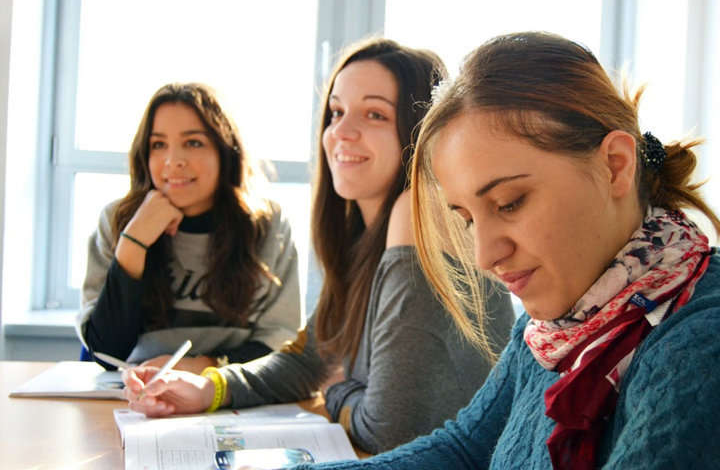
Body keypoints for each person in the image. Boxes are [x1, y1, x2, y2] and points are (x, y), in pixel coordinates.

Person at [290, 31, 720, 469]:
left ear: (615, 166)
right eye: (468, 219)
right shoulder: (554, 324)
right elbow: (462, 448)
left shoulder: (697, 349)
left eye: (510, 203)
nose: (485, 256)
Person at [122, 38, 515, 454]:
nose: (341, 132)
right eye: (337, 112)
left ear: (420, 133)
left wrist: (337, 392)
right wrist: (209, 388)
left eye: (375, 114)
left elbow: (389, 429)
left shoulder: (419, 211)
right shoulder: (362, 238)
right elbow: (310, 360)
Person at [76, 82, 301, 374]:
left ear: (225, 151)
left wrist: (202, 367)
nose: (173, 161)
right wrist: (133, 244)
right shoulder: (117, 220)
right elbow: (105, 353)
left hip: (235, 396)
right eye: (158, 145)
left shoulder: (268, 226)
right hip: (133, 397)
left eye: (193, 142)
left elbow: (281, 343)